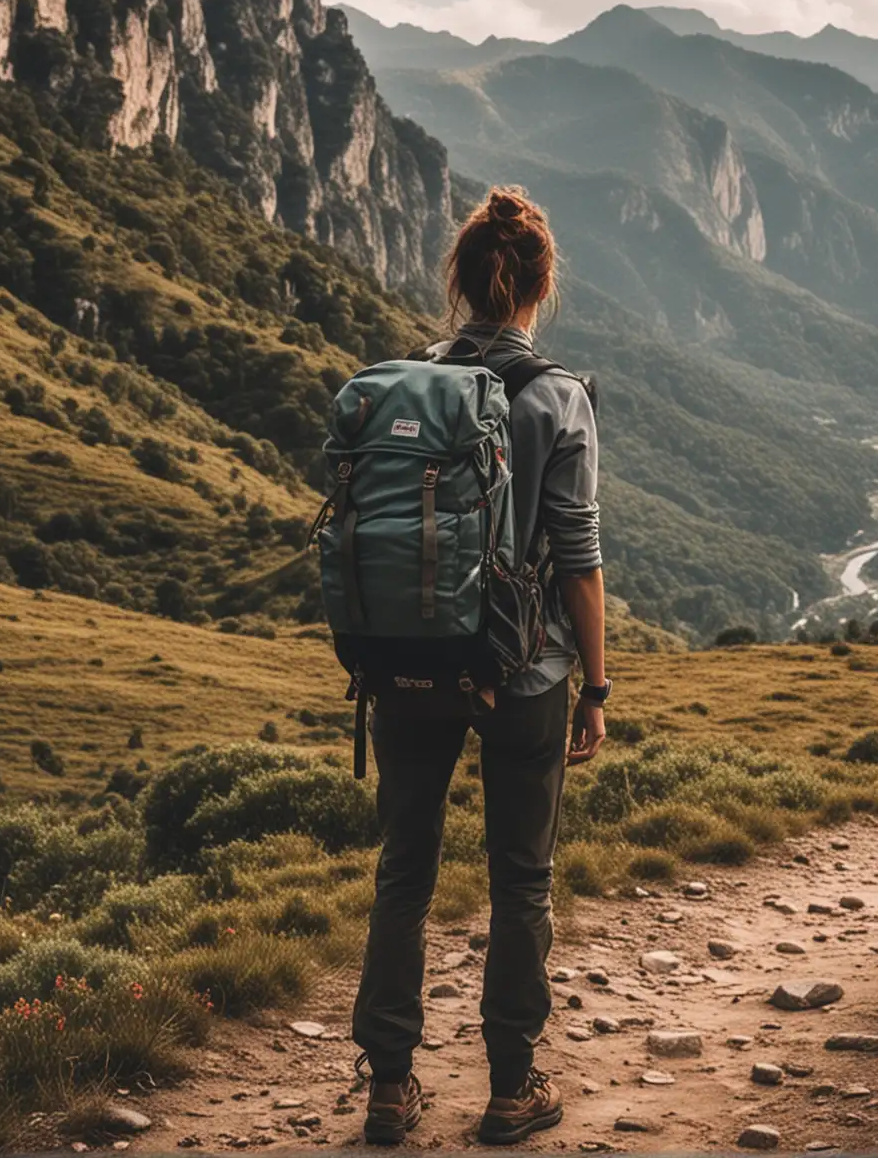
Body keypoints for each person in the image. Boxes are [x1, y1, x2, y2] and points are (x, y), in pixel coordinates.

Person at [351, 186, 610, 1146]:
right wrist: (597, 683)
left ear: (458, 283)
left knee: (403, 871)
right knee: (521, 880)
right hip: (527, 672)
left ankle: (388, 1086)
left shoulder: (403, 386)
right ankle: (511, 1088)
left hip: (409, 663)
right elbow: (578, 558)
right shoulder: (559, 395)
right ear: (540, 287)